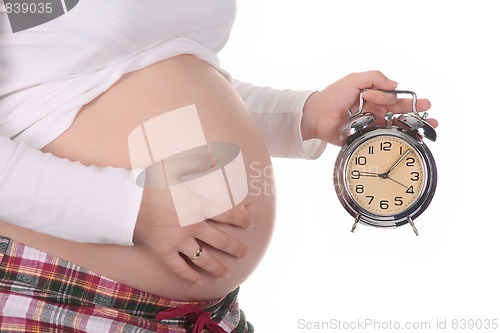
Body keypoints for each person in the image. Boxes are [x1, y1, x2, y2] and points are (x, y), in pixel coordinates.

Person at [0, 1, 435, 332]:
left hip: (200, 315)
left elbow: (161, 76)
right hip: (55, 293)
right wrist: (130, 210)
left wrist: (302, 115)